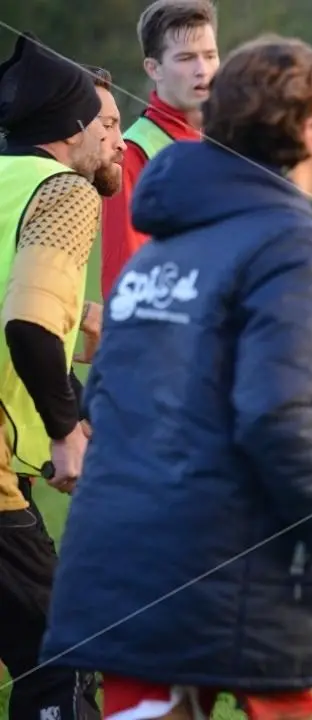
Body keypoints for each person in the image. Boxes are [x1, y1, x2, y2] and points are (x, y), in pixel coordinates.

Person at [39, 34, 312, 720]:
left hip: (112, 569)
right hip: (223, 566)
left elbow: (104, 404)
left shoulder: (159, 253)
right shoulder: (298, 248)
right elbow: (275, 420)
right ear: (307, 129)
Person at [0, 33, 126, 720]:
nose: (114, 140)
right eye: (104, 123)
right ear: (74, 126)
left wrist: (76, 318)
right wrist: (67, 428)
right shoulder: (65, 192)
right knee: (64, 652)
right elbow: (24, 324)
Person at [99, 0, 219, 298]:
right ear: (154, 68)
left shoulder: (226, 141)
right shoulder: (131, 153)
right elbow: (122, 277)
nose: (202, 70)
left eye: (210, 55)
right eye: (186, 58)